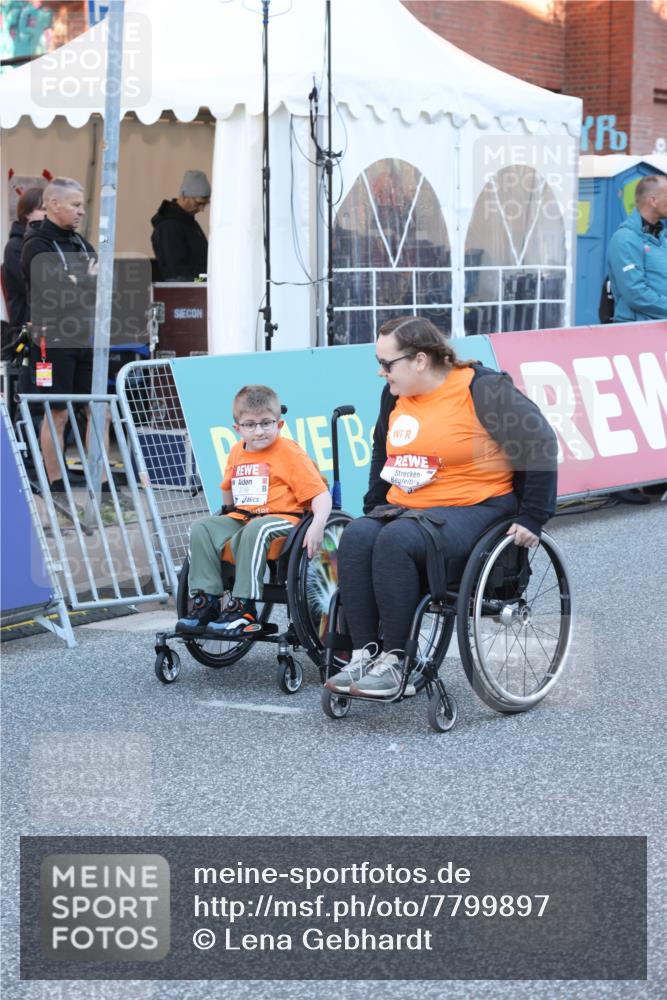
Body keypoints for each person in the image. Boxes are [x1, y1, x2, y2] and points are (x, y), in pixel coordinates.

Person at [326, 317, 558, 698]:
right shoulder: (395, 394)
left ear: (419, 360)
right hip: (412, 506)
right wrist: (373, 505)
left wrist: (534, 515)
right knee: (357, 535)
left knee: (397, 539)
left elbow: (540, 443)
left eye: (387, 364)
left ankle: (397, 660)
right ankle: (364, 654)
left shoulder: (482, 389)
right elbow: (382, 451)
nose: (380, 372)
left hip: (477, 505)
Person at [176, 384, 332, 636]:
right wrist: (224, 518)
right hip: (245, 516)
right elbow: (227, 489)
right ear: (237, 429)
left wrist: (318, 524)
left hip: (284, 518)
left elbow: (320, 494)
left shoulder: (289, 452)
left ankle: (244, 608)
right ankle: (207, 600)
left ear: (279, 424)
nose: (259, 431)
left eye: (266, 423)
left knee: (256, 530)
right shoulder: (237, 451)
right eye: (250, 425)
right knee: (202, 527)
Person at [20, 176, 118, 518]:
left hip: (84, 337)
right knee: (57, 411)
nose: (81, 211)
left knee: (98, 410)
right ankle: (54, 479)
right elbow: (53, 292)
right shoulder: (35, 243)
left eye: (82, 204)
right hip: (52, 341)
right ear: (53, 205)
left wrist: (81, 281)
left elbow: (100, 281)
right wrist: (82, 281)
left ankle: (103, 480)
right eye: (75, 204)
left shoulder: (79, 242)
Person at [607, 174, 667, 323]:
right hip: (638, 334)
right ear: (653, 200)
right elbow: (635, 293)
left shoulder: (662, 238)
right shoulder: (625, 239)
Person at [1, 186, 45, 359]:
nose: (48, 214)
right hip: (26, 329)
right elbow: (33, 287)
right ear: (27, 213)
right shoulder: (14, 247)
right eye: (43, 209)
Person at [150, 170, 210, 281]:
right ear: (184, 195)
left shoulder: (190, 223)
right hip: (185, 293)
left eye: (205, 205)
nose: (201, 209)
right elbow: (179, 275)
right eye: (198, 203)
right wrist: (205, 281)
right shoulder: (168, 227)